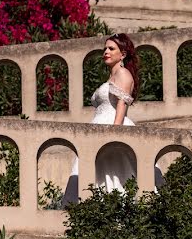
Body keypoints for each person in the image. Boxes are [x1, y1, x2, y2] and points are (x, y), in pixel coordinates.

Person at [64, 33, 152, 199]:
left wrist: (114, 134)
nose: (106, 51)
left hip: (111, 126)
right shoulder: (112, 76)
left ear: (123, 54)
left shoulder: (123, 74)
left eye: (111, 48)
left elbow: (121, 104)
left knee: (114, 175)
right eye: (105, 48)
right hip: (99, 128)